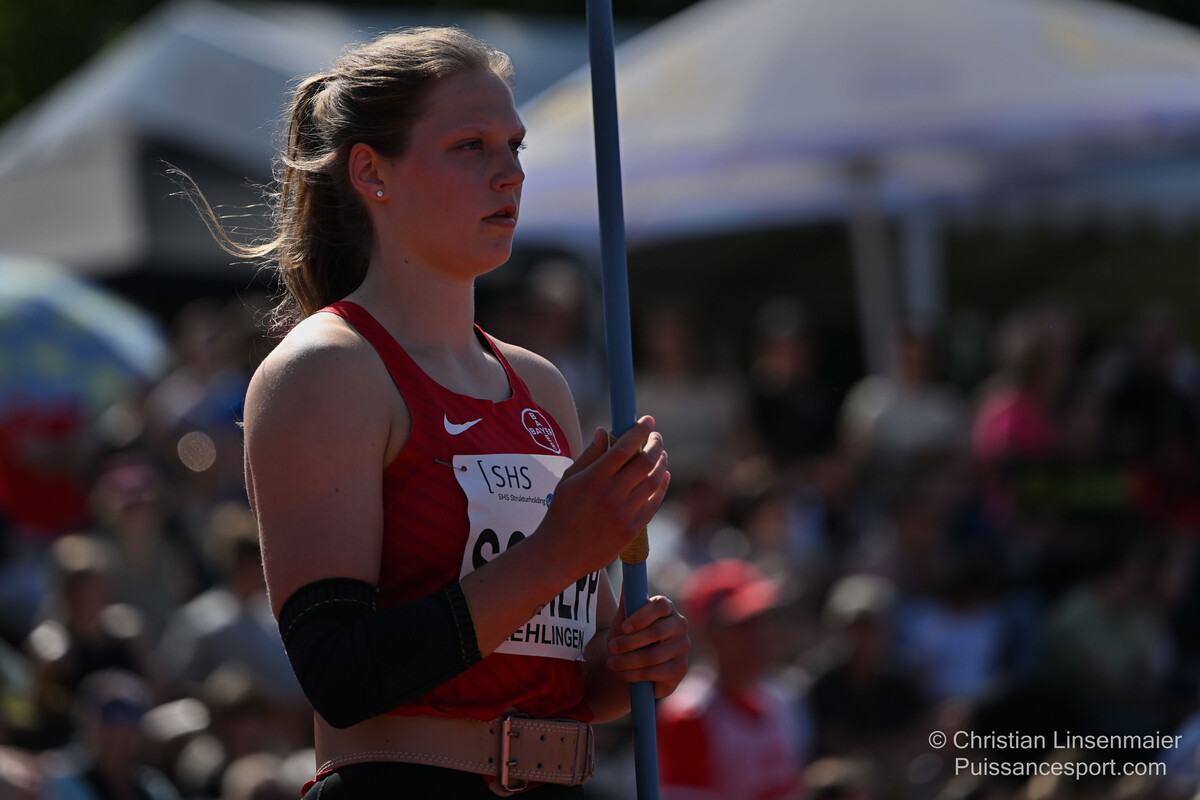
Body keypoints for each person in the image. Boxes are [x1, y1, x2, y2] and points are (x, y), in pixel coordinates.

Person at [186, 27, 688, 798]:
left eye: (515, 146)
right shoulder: (328, 370)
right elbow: (340, 673)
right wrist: (555, 553)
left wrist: (637, 660)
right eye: (470, 146)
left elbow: (574, 672)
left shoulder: (539, 385)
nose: (510, 173)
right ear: (371, 172)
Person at [656, 559, 805, 800]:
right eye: (742, 625)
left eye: (762, 620)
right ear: (708, 633)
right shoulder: (689, 715)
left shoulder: (783, 699)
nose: (758, 635)